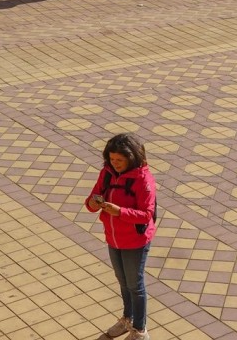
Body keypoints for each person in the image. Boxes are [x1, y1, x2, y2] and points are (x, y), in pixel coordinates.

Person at [84, 133, 158, 340]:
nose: (115, 164)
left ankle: (140, 329)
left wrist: (120, 212)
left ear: (131, 158)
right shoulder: (106, 173)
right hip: (113, 238)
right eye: (112, 159)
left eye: (120, 161)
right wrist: (92, 203)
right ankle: (127, 318)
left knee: (135, 284)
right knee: (122, 280)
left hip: (135, 241)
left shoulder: (143, 180)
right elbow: (93, 197)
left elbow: (146, 215)